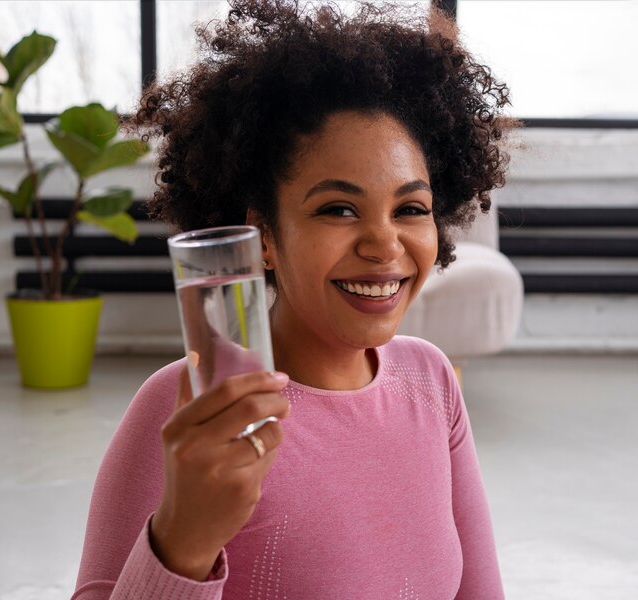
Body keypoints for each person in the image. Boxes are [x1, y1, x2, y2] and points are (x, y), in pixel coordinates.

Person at [71, 0, 514, 597]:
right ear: (264, 237)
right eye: (338, 209)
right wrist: (184, 539)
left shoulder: (430, 381)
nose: (385, 245)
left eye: (411, 209)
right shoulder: (187, 414)